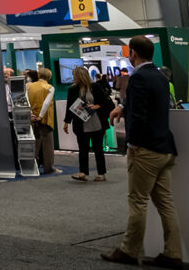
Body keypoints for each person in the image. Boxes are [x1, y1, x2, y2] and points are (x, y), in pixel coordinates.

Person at [102, 36, 182, 268]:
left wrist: (133, 145)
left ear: (133, 53)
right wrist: (123, 106)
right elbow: (144, 104)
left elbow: (138, 117)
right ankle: (173, 253)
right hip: (165, 148)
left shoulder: (137, 77)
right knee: (165, 203)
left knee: (137, 201)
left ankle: (128, 251)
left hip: (145, 150)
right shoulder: (160, 76)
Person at [63, 66, 112, 182]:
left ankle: (101, 173)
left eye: (75, 75)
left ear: (81, 76)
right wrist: (66, 122)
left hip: (96, 122)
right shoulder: (72, 89)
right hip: (80, 123)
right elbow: (70, 106)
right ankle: (83, 172)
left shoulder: (95, 87)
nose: (73, 77)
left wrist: (97, 106)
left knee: (98, 149)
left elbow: (106, 102)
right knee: (83, 148)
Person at [27, 67, 58, 174]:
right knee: (47, 144)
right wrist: (40, 116)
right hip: (45, 120)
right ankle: (48, 168)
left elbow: (26, 101)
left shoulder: (29, 86)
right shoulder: (49, 87)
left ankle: (32, 168)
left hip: (31, 118)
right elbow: (46, 103)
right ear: (49, 76)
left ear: (39, 75)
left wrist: (32, 114)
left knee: (34, 143)